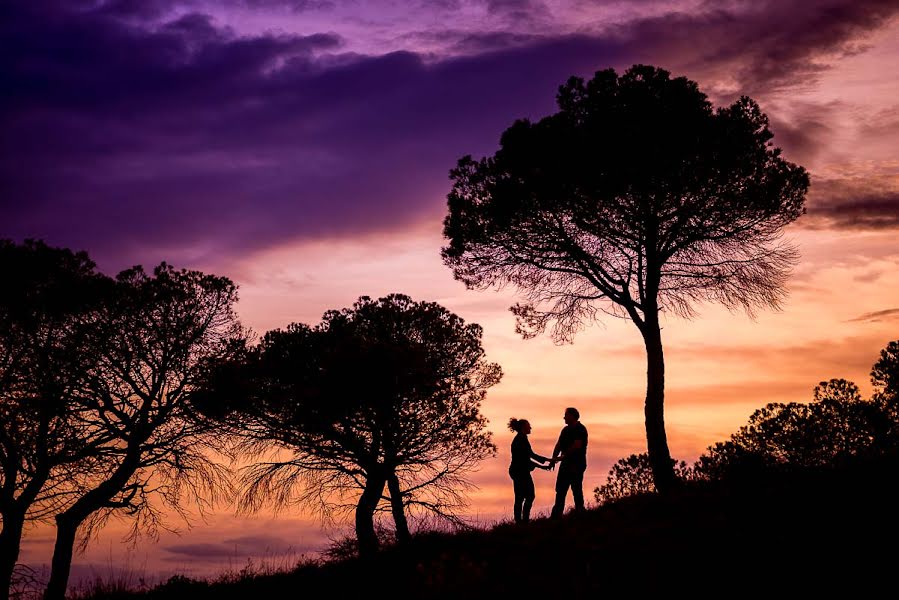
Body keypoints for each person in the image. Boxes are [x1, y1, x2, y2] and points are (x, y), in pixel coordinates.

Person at [507, 417, 552, 523]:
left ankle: (521, 522)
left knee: (522, 497)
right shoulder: (520, 439)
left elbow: (529, 456)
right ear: (523, 427)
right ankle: (522, 522)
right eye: (528, 425)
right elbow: (528, 458)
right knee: (526, 496)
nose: (530, 427)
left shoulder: (522, 438)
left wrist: (545, 462)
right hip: (519, 472)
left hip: (519, 471)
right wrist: (545, 463)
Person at [550, 407, 588, 519]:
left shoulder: (580, 429)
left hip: (577, 464)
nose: (564, 417)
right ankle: (556, 516)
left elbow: (577, 445)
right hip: (565, 465)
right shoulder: (565, 430)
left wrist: (562, 457)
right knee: (560, 491)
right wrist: (554, 459)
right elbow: (558, 444)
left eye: (566, 415)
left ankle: (580, 513)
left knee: (576, 489)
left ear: (572, 416)